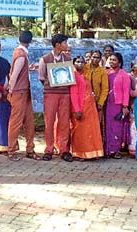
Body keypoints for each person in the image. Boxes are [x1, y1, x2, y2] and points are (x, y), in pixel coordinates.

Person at [6, 30, 40, 161]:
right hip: (19, 92)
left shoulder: (20, 53)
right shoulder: (21, 54)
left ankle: (29, 148)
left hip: (24, 91)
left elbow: (18, 72)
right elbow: (14, 75)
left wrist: (29, 68)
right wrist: (11, 90)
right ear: (30, 41)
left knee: (29, 121)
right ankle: (12, 150)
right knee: (16, 121)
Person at [38, 33, 72, 162]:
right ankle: (49, 149)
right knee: (49, 121)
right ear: (58, 45)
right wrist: (52, 83)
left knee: (64, 122)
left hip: (65, 93)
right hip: (50, 93)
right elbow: (41, 77)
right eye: (65, 43)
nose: (66, 45)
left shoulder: (68, 58)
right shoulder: (45, 59)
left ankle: (63, 149)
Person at [69, 56, 104, 160]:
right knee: (80, 130)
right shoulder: (73, 76)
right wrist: (77, 110)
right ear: (73, 63)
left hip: (90, 107)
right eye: (78, 62)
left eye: (82, 62)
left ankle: (92, 152)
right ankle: (79, 153)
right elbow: (73, 94)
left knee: (91, 130)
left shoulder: (85, 75)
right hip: (80, 107)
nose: (80, 64)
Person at [104, 52, 131, 158]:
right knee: (108, 126)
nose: (111, 62)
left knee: (117, 127)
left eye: (114, 60)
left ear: (120, 63)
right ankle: (108, 149)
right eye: (110, 59)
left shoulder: (124, 75)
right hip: (108, 103)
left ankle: (116, 150)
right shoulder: (106, 73)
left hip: (118, 104)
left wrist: (125, 106)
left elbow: (126, 91)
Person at [84, 50, 108, 125]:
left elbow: (105, 89)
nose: (95, 59)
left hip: (96, 101)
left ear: (100, 59)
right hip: (84, 100)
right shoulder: (84, 68)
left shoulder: (102, 72)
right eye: (94, 57)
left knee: (96, 123)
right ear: (90, 57)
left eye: (98, 57)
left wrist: (101, 103)